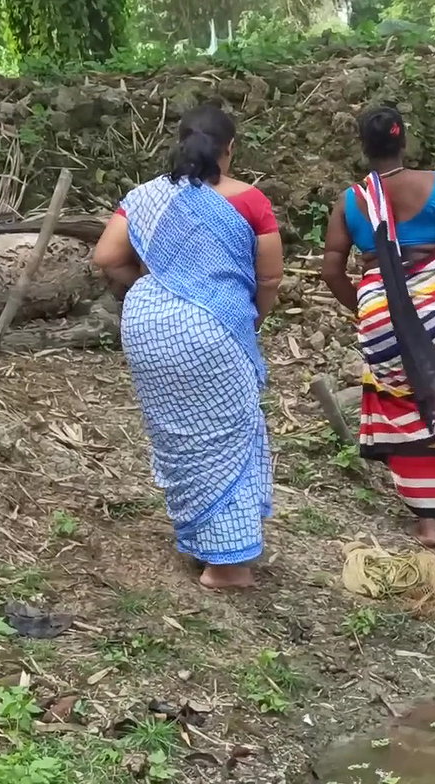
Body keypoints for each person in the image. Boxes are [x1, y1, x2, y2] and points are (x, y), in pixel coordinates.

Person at [92, 103, 283, 589]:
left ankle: (203, 541)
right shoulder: (250, 200)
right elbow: (270, 277)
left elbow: (107, 256)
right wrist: (249, 317)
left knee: (181, 437)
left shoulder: (144, 196)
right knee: (227, 438)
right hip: (214, 331)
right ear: (229, 148)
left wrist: (153, 284)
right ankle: (227, 566)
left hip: (147, 326)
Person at [320, 105, 435, 548]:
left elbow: (331, 269)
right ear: (403, 140)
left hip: (380, 314)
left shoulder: (352, 201)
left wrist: (363, 307)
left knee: (402, 405)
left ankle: (427, 518)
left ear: (364, 146)